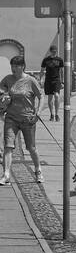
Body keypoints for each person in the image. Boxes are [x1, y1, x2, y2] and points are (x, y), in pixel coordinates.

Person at [0, 55, 43, 186]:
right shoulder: (8, 79)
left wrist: (38, 113)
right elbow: (1, 92)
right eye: (12, 66)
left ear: (22, 66)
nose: (13, 68)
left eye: (16, 66)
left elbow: (41, 96)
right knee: (8, 147)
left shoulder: (31, 80)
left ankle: (38, 171)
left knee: (31, 148)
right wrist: (3, 98)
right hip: (11, 118)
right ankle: (6, 174)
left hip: (27, 119)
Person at [40, 44, 64, 121]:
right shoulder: (46, 60)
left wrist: (62, 81)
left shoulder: (59, 60)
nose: (54, 53)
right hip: (48, 80)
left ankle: (57, 114)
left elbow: (62, 71)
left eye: (55, 52)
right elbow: (42, 70)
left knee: (56, 96)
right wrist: (41, 80)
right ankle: (52, 114)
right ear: (50, 52)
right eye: (53, 52)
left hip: (56, 80)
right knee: (50, 97)